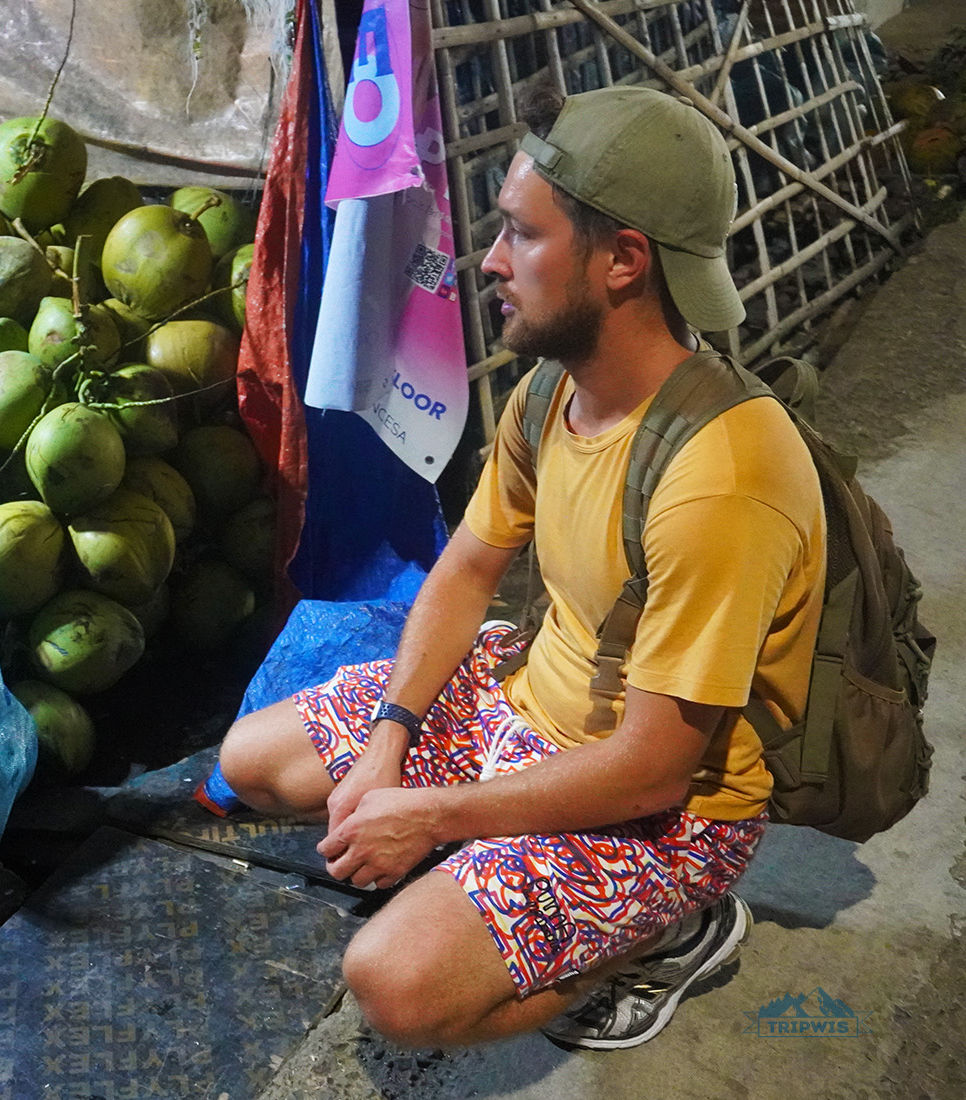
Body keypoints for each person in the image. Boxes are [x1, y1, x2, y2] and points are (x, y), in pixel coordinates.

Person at [214, 84, 825, 1051]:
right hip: (530, 699)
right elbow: (463, 572)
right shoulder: (554, 390)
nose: (490, 262)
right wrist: (391, 738)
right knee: (254, 761)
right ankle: (486, 856)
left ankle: (675, 931)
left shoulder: (723, 479)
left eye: (522, 236)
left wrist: (427, 814)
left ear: (623, 260)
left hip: (665, 805)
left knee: (394, 987)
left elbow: (650, 770)